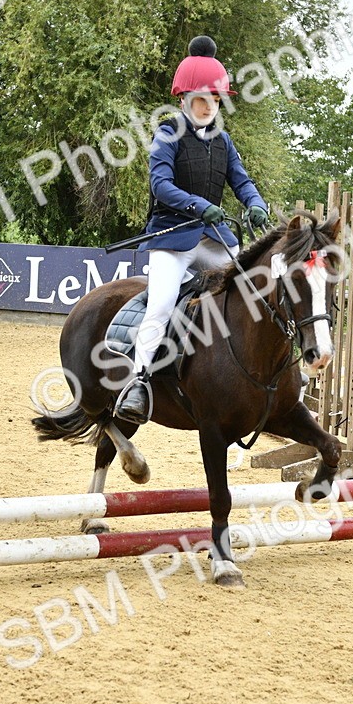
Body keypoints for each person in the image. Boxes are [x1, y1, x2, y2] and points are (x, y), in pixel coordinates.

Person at [114, 36, 269, 425]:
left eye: (215, 100)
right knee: (162, 304)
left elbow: (242, 181)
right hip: (173, 239)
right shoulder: (167, 134)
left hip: (215, 242)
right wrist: (201, 206)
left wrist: (255, 204)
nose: (209, 106)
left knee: (253, 292)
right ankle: (139, 381)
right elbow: (160, 186)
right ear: (183, 99)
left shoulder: (224, 140)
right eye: (202, 99)